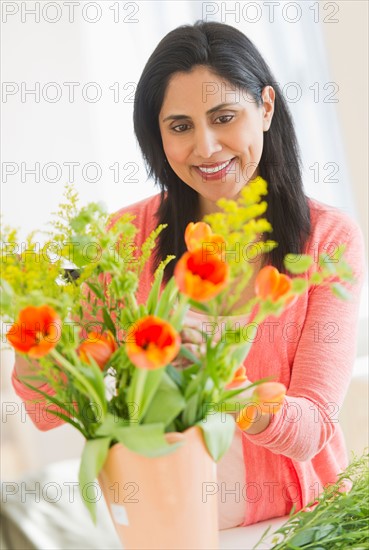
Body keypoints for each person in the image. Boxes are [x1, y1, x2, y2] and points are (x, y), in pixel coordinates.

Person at [12, 21, 365, 529]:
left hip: (296, 527)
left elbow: (311, 429)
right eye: (180, 126)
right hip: (166, 526)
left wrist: (222, 380)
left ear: (265, 108)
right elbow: (48, 410)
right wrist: (35, 319)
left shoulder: (328, 240)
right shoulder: (118, 238)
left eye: (224, 117)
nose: (206, 147)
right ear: (157, 134)